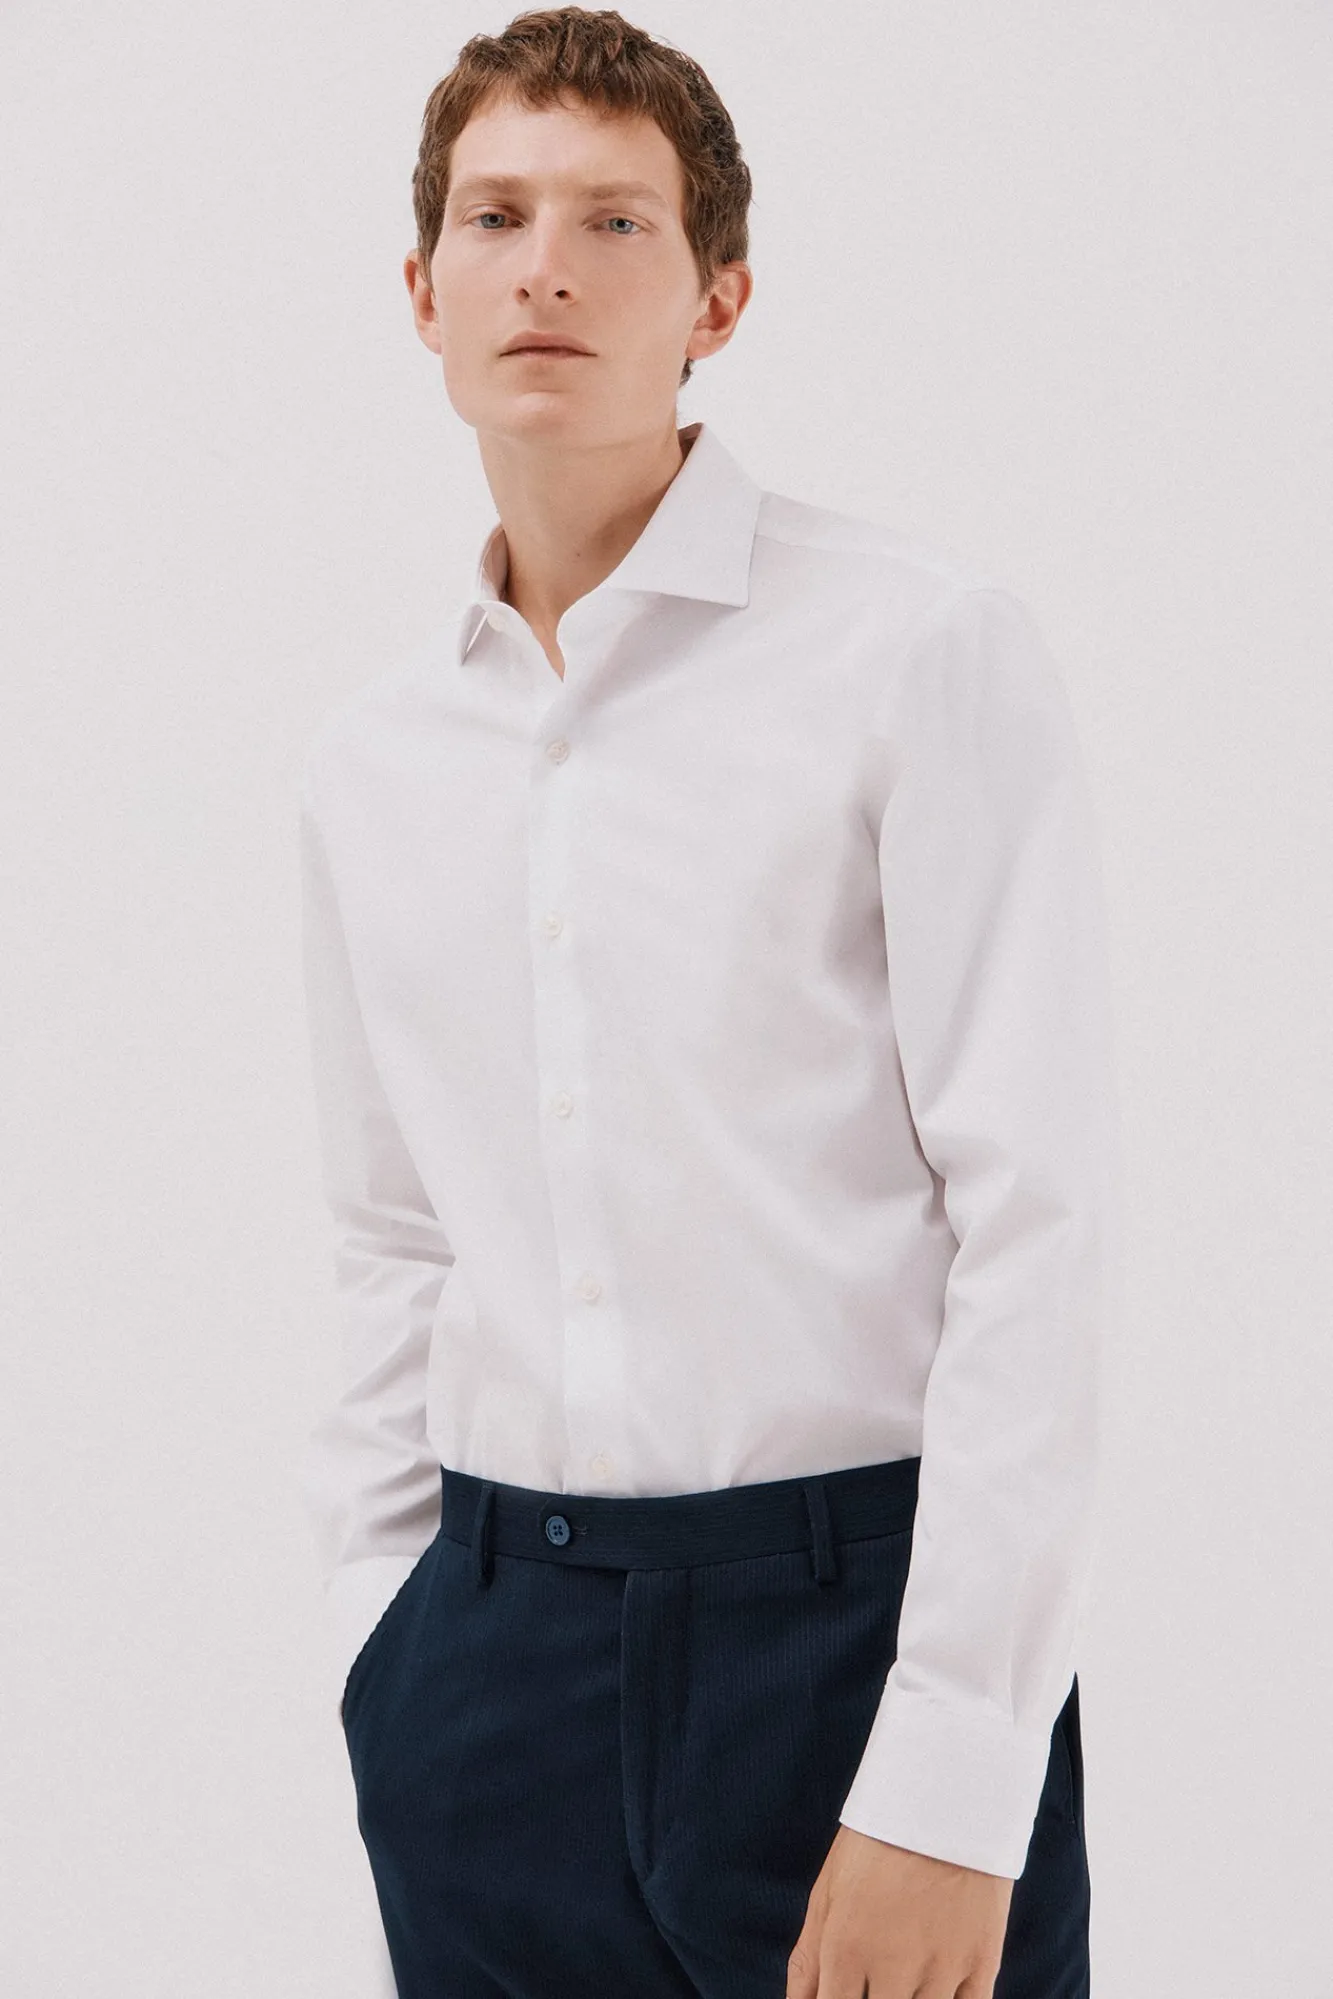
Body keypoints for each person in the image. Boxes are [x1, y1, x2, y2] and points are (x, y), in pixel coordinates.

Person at [297, 10, 1120, 1997]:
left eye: (616, 221)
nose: (546, 268)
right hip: (489, 1665)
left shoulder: (915, 653)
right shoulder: (374, 760)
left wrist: (956, 1771)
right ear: (422, 290)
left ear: (718, 298)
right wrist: (386, 1652)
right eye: (495, 216)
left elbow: (1035, 1221)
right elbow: (392, 1231)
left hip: (848, 1639)